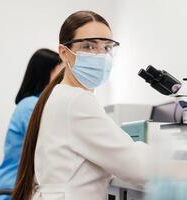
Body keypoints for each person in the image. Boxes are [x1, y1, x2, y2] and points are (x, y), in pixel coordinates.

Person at [12, 11, 152, 200]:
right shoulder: (76, 101)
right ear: (64, 53)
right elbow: (139, 169)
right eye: (89, 46)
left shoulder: (60, 95)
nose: (100, 55)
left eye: (107, 47)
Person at [0, 49, 62, 200]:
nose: (62, 81)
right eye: (59, 75)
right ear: (45, 74)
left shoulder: (31, 104)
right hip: (11, 192)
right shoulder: (31, 106)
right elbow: (53, 148)